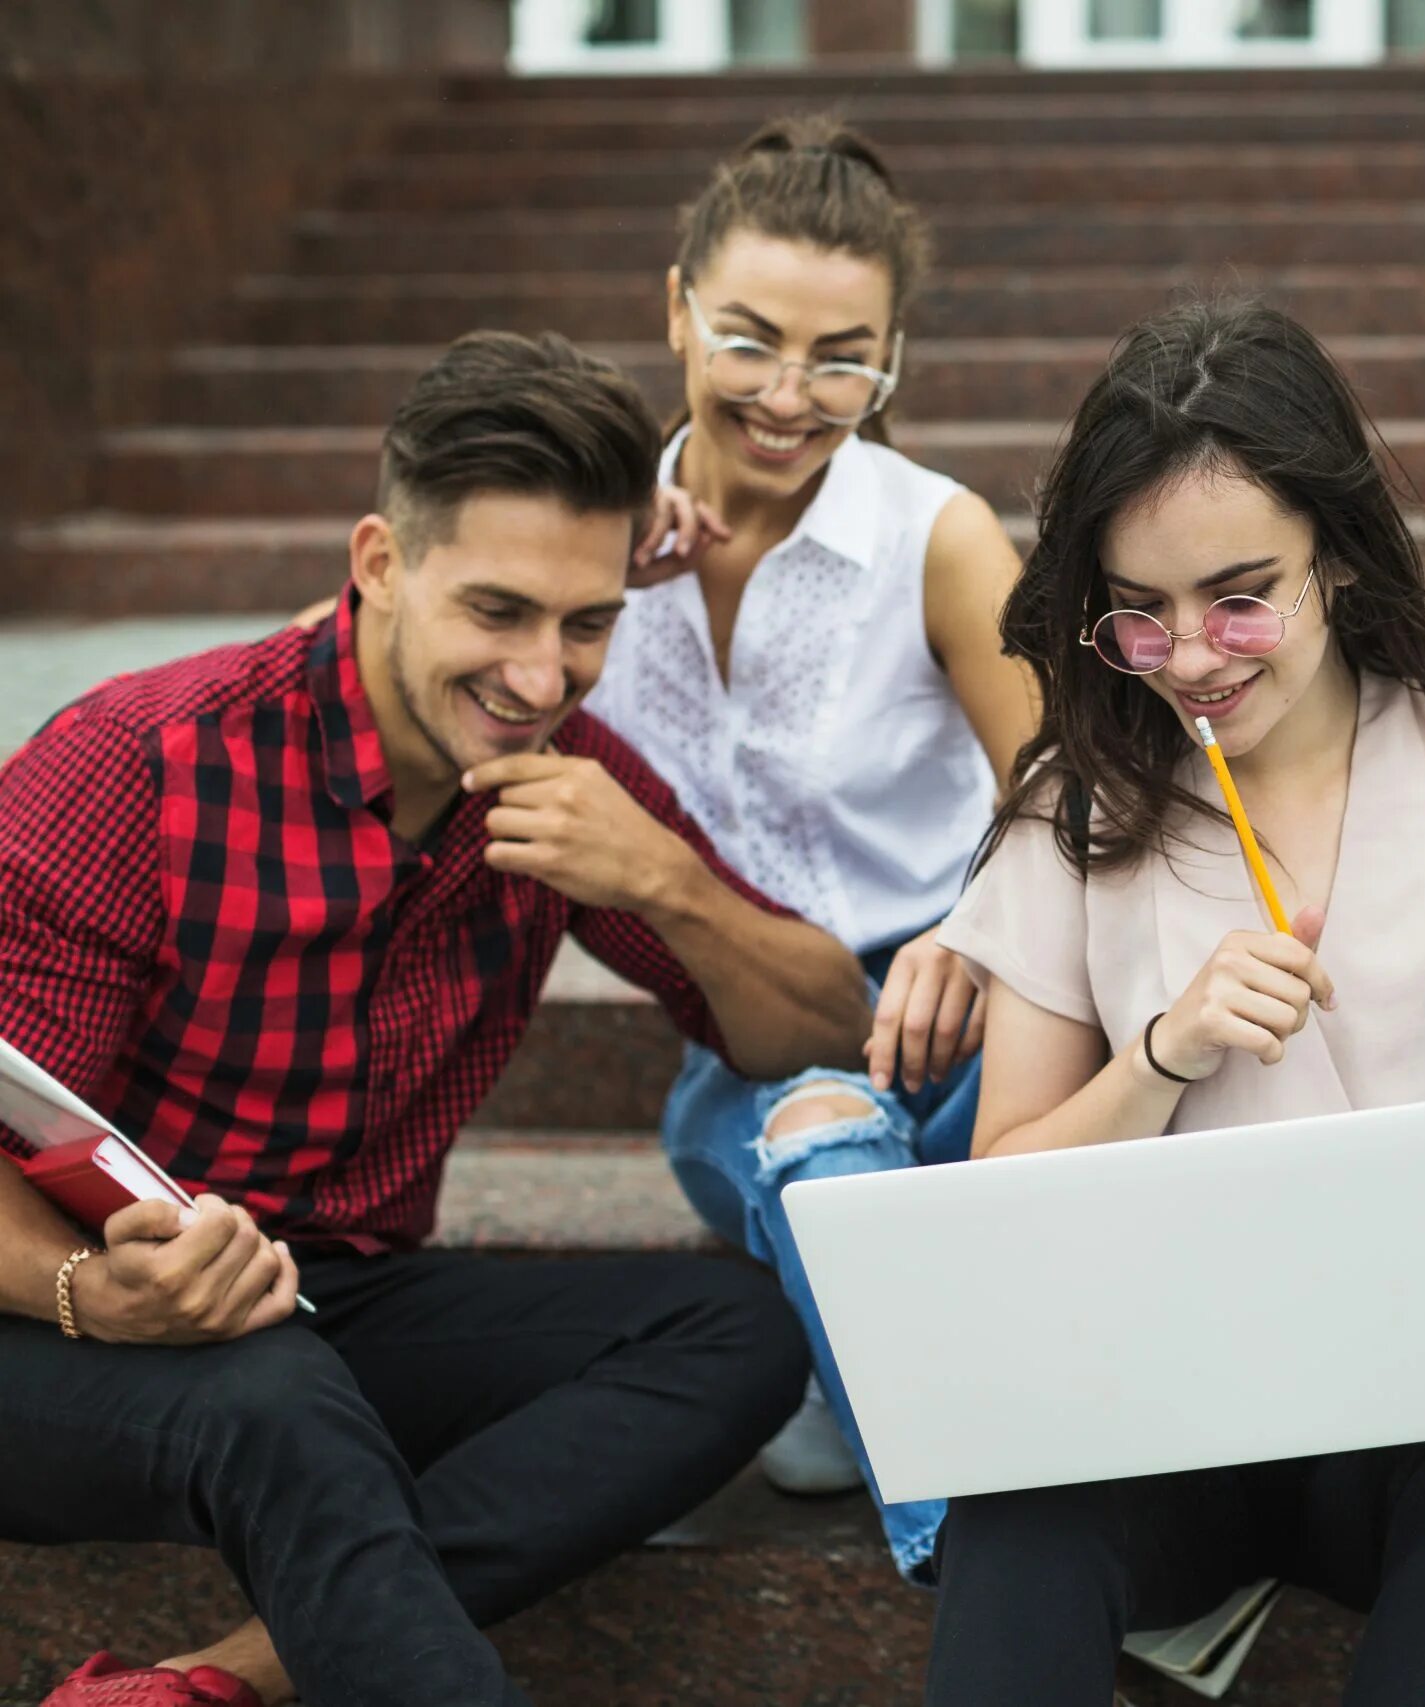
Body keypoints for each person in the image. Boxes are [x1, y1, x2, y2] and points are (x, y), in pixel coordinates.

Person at [2, 331, 871, 1707]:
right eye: (499, 611)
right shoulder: (141, 768)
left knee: (742, 1326)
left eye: (588, 622)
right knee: (277, 1398)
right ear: (380, 564)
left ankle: (208, 1684)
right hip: (60, 1327)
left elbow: (820, 1024)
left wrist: (666, 881)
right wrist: (88, 1290)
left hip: (326, 1294)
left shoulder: (565, 777)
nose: (542, 674)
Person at [921, 300, 1425, 1706]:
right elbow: (998, 1175)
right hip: (1166, 1399)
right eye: (1141, 611)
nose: (1193, 654)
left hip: (1419, 1390)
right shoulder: (1075, 810)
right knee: (1014, 1509)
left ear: (1339, 560)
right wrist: (1165, 1049)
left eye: (1243, 595)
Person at [582, 114, 1033, 1575]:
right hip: (750, 1038)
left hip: (959, 1020)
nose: (791, 396)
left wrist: (976, 932)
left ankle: (865, 1387)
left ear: (894, 356)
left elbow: (1071, 794)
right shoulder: (582, 534)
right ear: (675, 310)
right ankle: (989, 1540)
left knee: (856, 1149)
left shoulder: (939, 536)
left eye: (845, 355)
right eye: (750, 341)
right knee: (812, 1128)